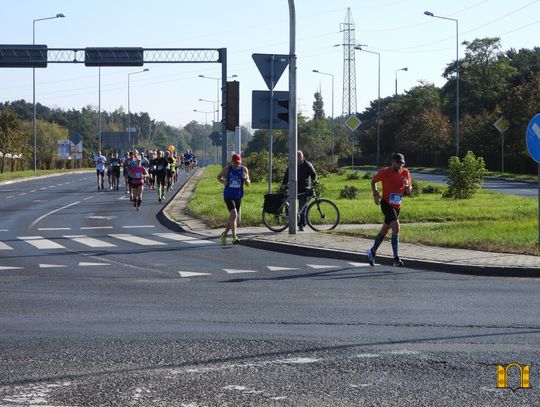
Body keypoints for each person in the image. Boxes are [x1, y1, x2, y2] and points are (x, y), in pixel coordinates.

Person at [367, 152, 412, 267]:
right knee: (396, 226)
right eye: (398, 164)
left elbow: (409, 189)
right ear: (392, 162)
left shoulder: (405, 172)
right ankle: (396, 259)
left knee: (385, 230)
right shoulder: (385, 172)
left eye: (402, 164)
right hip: (386, 203)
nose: (400, 166)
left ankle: (372, 251)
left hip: (397, 205)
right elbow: (373, 181)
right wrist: (375, 194)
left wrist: (408, 187)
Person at [217, 153, 250, 245]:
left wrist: (246, 179)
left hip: (238, 196)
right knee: (234, 213)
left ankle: (224, 234)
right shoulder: (227, 169)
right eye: (235, 163)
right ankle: (234, 237)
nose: (237, 165)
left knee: (233, 217)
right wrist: (223, 182)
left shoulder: (244, 169)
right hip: (228, 195)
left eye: (239, 163)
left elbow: (248, 184)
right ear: (232, 162)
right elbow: (218, 177)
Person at [281, 150, 317, 231]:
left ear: (302, 157)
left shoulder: (307, 164)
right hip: (293, 187)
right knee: (289, 202)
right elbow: (287, 175)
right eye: (296, 156)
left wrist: (314, 180)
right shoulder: (292, 165)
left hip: (304, 188)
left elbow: (313, 174)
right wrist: (284, 184)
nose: (298, 158)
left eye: (299, 156)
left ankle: (301, 225)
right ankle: (288, 217)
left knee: (303, 207)